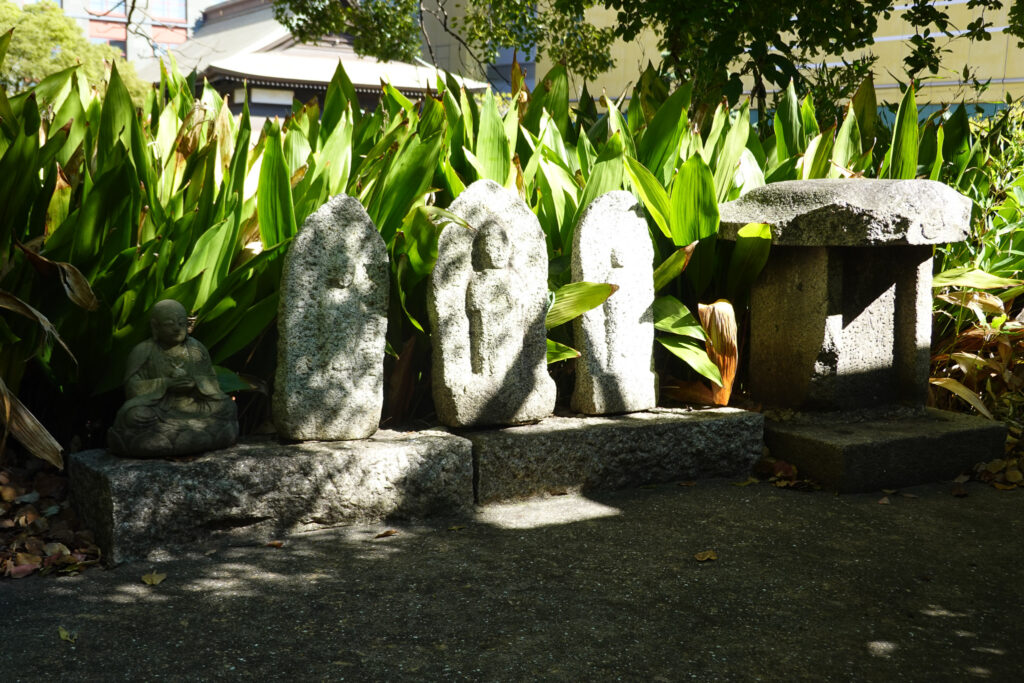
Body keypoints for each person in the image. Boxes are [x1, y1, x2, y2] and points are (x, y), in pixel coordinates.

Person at [108, 299, 238, 458]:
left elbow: (210, 380)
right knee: (134, 415)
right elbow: (132, 388)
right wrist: (166, 384)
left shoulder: (196, 349)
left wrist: (196, 384)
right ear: (155, 326)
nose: (177, 328)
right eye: (170, 324)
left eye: (182, 323)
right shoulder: (144, 351)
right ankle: (188, 434)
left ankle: (182, 433)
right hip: (159, 409)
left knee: (227, 407)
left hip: (193, 405)